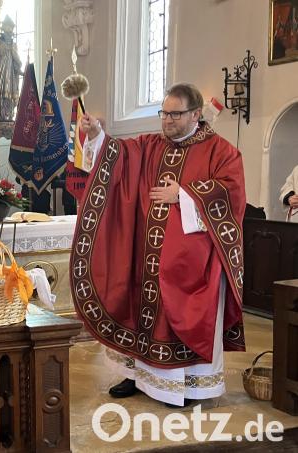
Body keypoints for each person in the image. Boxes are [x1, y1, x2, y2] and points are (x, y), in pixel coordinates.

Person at [71, 83, 246, 408]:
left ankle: (183, 387)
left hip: (192, 265)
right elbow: (117, 157)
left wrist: (183, 194)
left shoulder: (220, 151)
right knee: (137, 309)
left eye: (175, 114)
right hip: (145, 256)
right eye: (164, 113)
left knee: (181, 318)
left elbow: (231, 193)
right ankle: (137, 377)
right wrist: (97, 134)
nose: (167, 120)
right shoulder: (150, 145)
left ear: (196, 114)